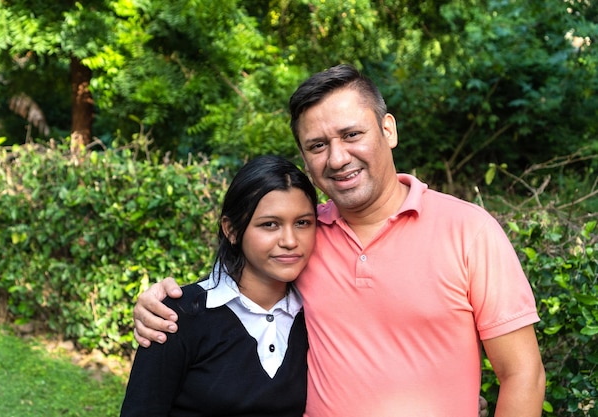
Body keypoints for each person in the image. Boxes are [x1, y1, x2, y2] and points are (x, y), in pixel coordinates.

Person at [132, 65, 545, 417]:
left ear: (388, 129)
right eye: (317, 145)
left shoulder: (468, 230)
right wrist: (162, 304)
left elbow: (522, 373)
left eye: (351, 134)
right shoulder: (307, 237)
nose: (337, 158)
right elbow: (241, 286)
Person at [120, 155, 318, 417]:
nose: (290, 240)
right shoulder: (176, 317)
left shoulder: (317, 316)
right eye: (270, 224)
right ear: (232, 230)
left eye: (302, 223)